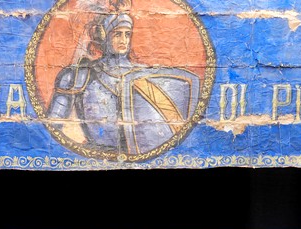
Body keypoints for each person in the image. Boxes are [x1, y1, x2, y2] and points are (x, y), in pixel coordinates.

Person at [46, 1, 201, 157]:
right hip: (96, 155)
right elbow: (53, 126)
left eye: (127, 34)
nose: (123, 40)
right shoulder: (78, 76)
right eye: (117, 34)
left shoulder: (142, 75)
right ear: (104, 36)